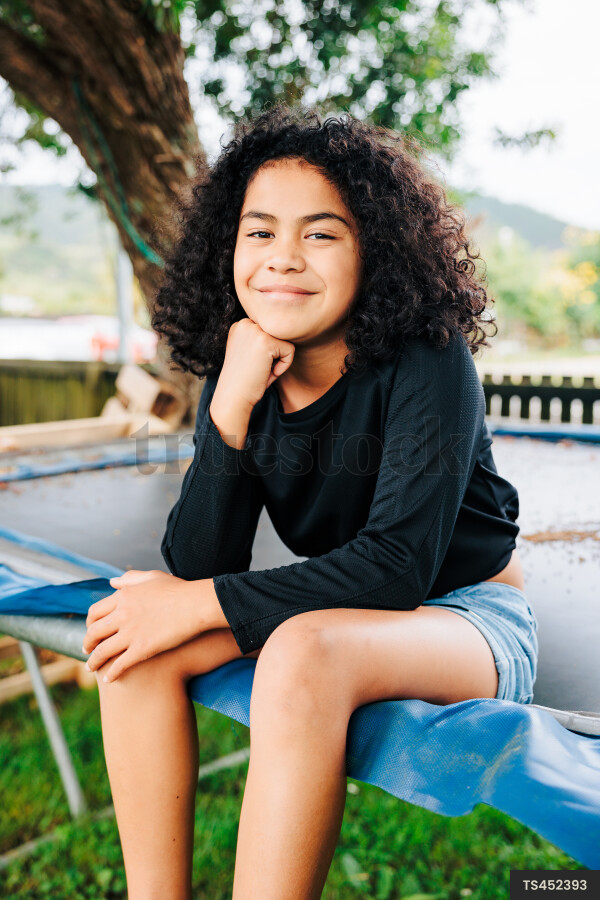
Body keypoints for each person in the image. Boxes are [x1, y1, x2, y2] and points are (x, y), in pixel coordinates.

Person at [82, 103, 539, 900]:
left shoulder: (426, 358)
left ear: (376, 252)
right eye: (259, 233)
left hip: (465, 618)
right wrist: (226, 406)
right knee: (135, 640)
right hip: (336, 608)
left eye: (321, 233)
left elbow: (398, 568)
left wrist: (199, 604)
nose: (283, 259)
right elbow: (198, 563)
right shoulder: (247, 370)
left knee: (297, 651)